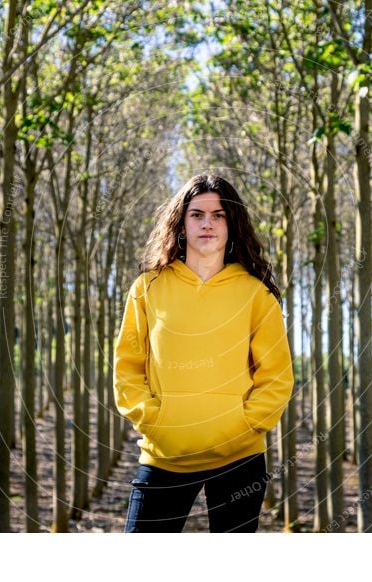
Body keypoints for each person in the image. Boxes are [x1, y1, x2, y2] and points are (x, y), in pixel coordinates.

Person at [113, 173, 294, 533]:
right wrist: (156, 422)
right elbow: (127, 370)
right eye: (197, 215)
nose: (207, 224)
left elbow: (275, 378)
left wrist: (243, 427)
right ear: (181, 224)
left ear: (232, 225)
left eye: (218, 215)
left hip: (239, 459)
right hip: (164, 455)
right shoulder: (147, 289)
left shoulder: (256, 295)